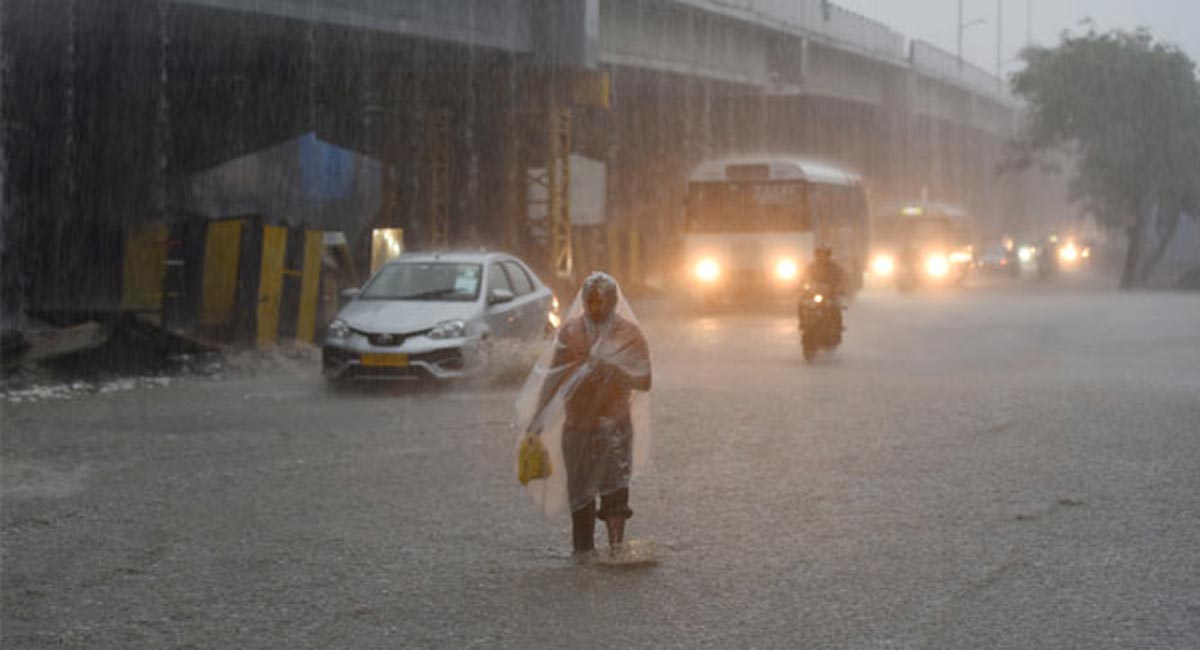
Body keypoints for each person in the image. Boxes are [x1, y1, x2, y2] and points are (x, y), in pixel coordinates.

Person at [524, 272, 652, 554]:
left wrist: (613, 371)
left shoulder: (629, 336)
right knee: (580, 498)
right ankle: (582, 553)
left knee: (615, 494)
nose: (595, 308)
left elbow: (645, 381)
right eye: (590, 302)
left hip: (615, 427)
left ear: (613, 301)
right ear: (582, 301)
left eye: (600, 302)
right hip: (577, 427)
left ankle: (616, 551)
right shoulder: (569, 333)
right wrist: (538, 418)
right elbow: (553, 379)